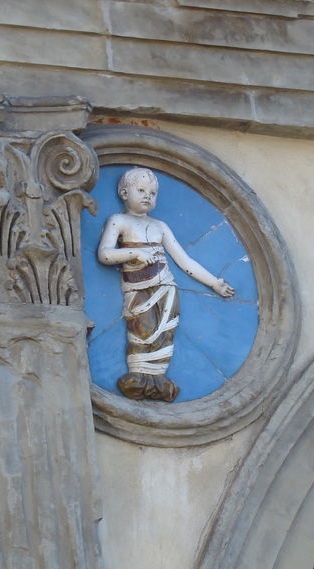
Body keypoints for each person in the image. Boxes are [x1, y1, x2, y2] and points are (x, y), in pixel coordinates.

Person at [97, 167, 234, 401]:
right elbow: (105, 254)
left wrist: (214, 283)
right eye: (141, 190)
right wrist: (134, 253)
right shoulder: (119, 221)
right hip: (138, 289)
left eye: (152, 193)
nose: (147, 196)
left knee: (164, 333)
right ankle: (138, 377)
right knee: (142, 329)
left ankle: (159, 379)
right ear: (124, 193)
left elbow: (184, 261)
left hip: (165, 288)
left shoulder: (160, 226)